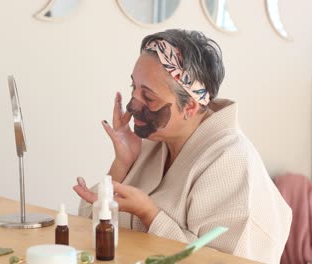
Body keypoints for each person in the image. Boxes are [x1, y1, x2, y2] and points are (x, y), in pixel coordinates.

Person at [73, 29, 292, 264]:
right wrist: (122, 162)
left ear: (190, 107)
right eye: (133, 88)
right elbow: (86, 225)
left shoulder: (232, 162)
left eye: (148, 97)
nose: (133, 105)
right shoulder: (152, 144)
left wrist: (150, 214)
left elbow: (222, 261)